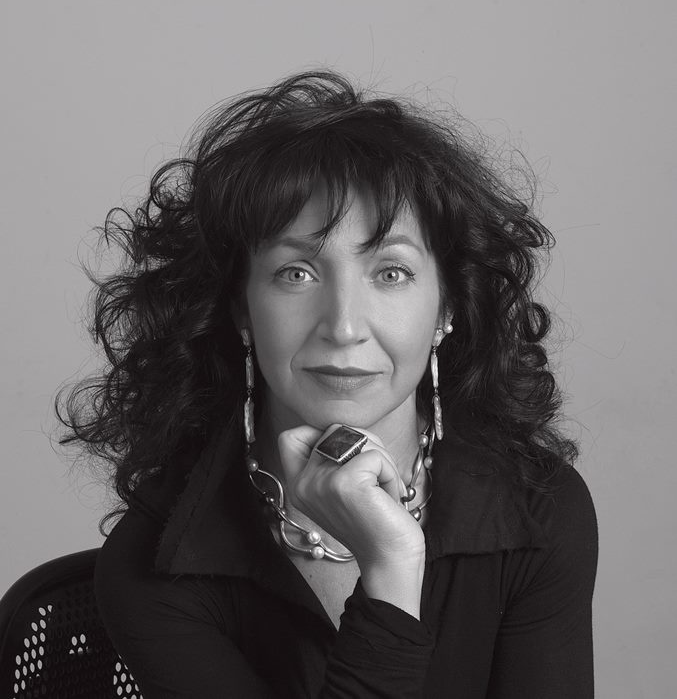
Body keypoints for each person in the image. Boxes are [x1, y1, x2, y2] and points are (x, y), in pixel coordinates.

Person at [59, 70, 598, 698]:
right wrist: (391, 571)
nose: (343, 327)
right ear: (240, 309)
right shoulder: (155, 563)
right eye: (296, 273)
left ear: (448, 307)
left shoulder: (539, 511)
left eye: (391, 273)